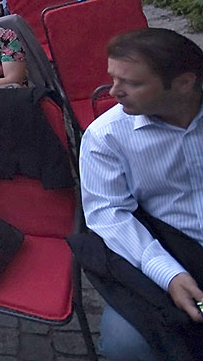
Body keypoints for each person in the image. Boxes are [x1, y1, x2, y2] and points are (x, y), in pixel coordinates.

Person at [79, 29, 203, 361]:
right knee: (127, 346)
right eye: (113, 78)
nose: (113, 91)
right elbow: (107, 213)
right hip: (171, 247)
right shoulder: (106, 136)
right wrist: (169, 273)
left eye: (131, 83)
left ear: (183, 83)